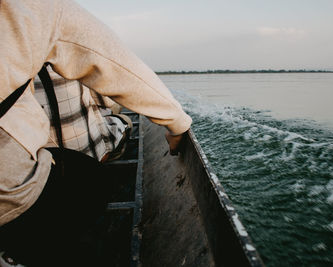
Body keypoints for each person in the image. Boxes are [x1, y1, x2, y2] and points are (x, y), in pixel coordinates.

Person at [0, 0, 192, 265]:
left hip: (28, 155)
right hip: (16, 191)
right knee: (105, 149)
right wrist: (177, 122)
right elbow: (118, 77)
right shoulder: (38, 10)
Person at [34, 65, 132, 162]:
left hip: (44, 161)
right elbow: (106, 102)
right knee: (125, 119)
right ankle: (105, 161)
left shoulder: (22, 73)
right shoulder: (74, 63)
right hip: (88, 155)